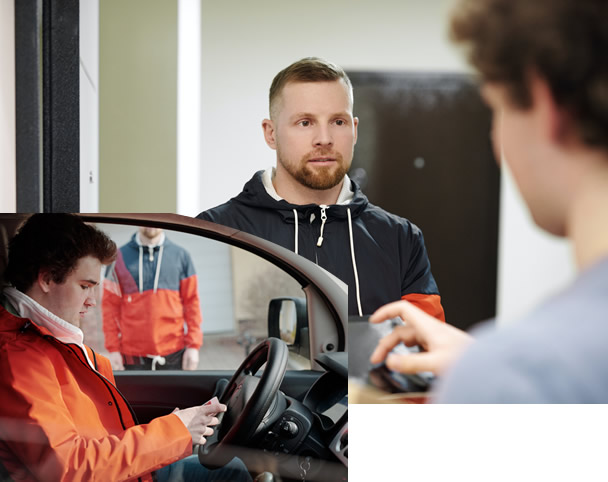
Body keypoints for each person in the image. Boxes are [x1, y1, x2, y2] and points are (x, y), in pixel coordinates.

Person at [370, 0, 608, 403]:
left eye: (495, 111)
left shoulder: (516, 380)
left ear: (545, 102)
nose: (497, 148)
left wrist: (490, 373)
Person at [0, 214, 251, 481]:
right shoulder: (19, 359)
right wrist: (173, 432)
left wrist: (170, 431)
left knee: (230, 468)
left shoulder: (49, 341)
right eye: (85, 286)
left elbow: (96, 439)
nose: (91, 302)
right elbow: (70, 467)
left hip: (119, 470)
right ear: (48, 279)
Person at [198, 57, 445, 320]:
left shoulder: (401, 239)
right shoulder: (213, 233)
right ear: (271, 134)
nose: (324, 139)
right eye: (305, 122)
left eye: (338, 122)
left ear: (355, 130)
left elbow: (424, 350)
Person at [102, 227, 203, 371]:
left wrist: (193, 346)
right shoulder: (118, 258)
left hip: (174, 352)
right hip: (132, 356)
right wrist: (113, 350)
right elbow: (109, 307)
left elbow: (192, 303)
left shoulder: (181, 256)